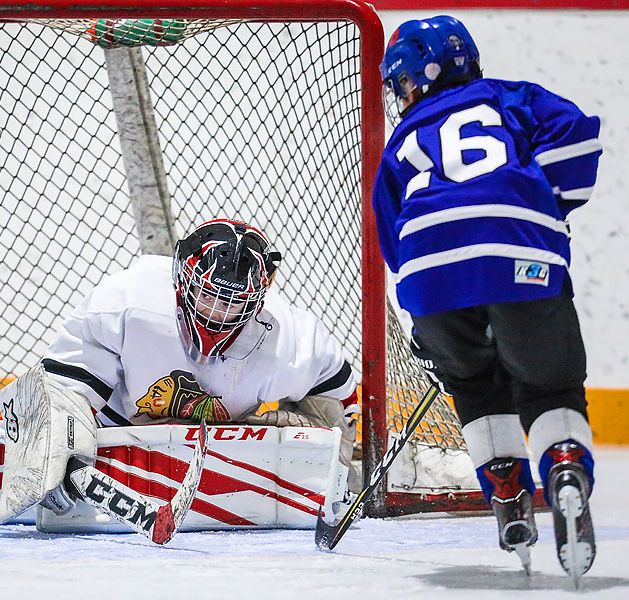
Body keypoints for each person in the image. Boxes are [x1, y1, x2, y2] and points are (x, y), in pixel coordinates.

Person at [373, 15, 602, 579]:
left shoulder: (401, 142)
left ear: (415, 82)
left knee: (474, 384)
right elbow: (580, 140)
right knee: (549, 384)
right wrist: (541, 200)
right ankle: (566, 466)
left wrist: (428, 305)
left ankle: (505, 489)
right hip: (519, 252)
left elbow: (390, 234)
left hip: (430, 277)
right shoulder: (512, 97)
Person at [41, 218, 361, 484]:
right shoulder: (125, 304)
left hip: (221, 453)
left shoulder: (288, 340)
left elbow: (333, 385)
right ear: (182, 280)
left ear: (257, 303)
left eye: (233, 302)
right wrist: (62, 445)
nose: (216, 313)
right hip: (117, 438)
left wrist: (329, 467)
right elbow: (63, 386)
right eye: (206, 294)